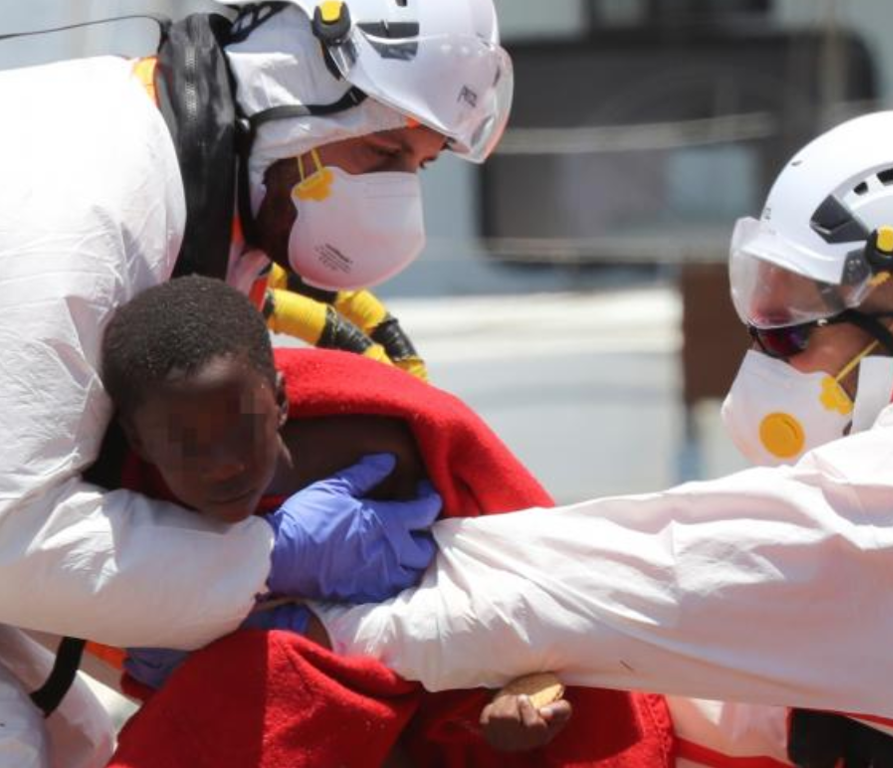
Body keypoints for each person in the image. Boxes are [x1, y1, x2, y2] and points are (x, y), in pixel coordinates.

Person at [298, 111, 893, 767]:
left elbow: (591, 579)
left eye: (792, 330)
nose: (767, 358)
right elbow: (767, 698)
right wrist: (574, 670)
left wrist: (275, 586)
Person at [0, 0, 512, 764]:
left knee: (77, 739)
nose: (398, 195)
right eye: (381, 150)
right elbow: (10, 539)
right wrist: (268, 561)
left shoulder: (209, 199)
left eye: (420, 163)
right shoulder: (92, 204)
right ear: (290, 85)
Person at [98, 276, 669, 768]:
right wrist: (271, 566)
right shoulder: (117, 507)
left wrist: (508, 702)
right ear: (139, 441)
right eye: (187, 444)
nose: (223, 463)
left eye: (241, 427)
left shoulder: (384, 442)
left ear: (281, 401)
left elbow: (524, 579)